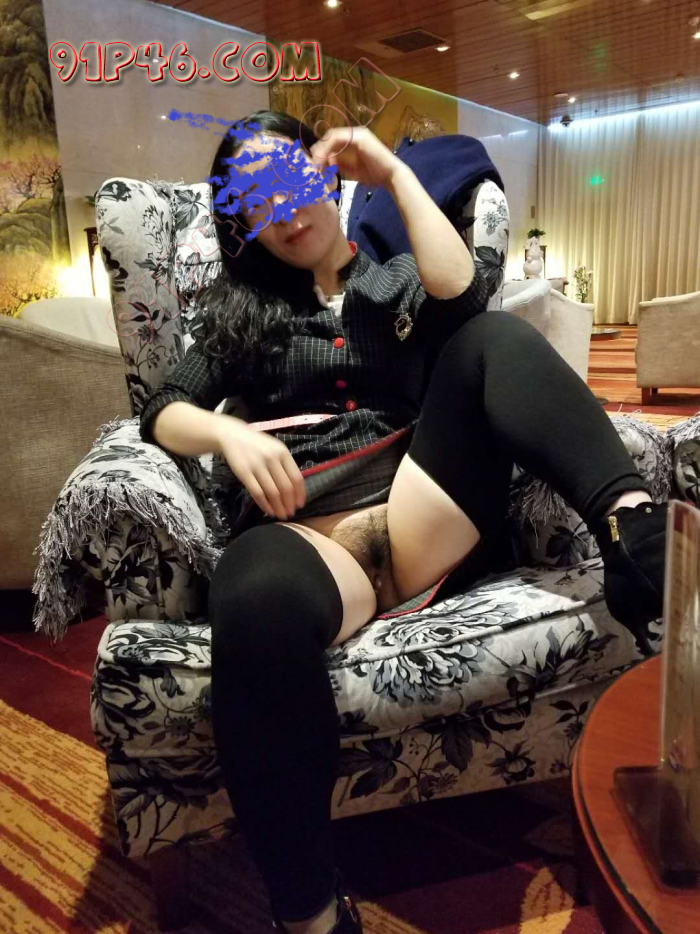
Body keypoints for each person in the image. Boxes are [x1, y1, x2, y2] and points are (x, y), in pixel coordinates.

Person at [139, 109, 668, 934]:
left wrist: (390, 172)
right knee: (251, 602)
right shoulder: (242, 314)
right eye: (254, 200)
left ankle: (637, 535)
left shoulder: (393, 282)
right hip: (308, 543)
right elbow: (162, 407)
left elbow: (466, 293)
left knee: (490, 336)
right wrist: (227, 433)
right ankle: (311, 914)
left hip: (424, 505)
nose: (281, 211)